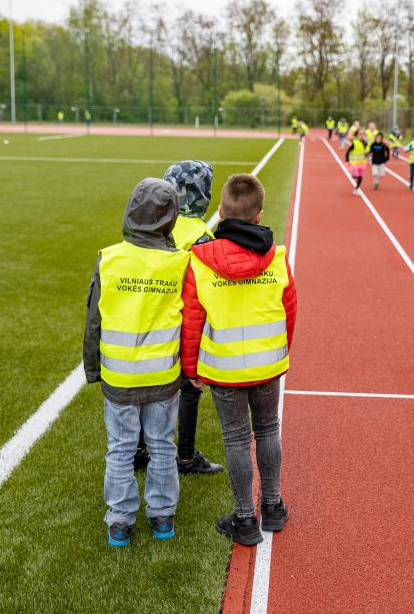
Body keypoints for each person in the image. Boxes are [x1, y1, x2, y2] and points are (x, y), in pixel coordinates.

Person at [180, 173, 297, 546]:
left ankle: (245, 519)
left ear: (220, 212)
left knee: (235, 439)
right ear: (259, 215)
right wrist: (281, 351)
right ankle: (273, 506)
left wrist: (190, 368)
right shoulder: (276, 257)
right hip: (268, 365)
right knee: (267, 429)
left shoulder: (198, 261)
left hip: (223, 368)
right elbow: (289, 312)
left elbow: (191, 320)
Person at [83, 178, 190, 547]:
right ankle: (162, 517)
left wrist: (92, 366)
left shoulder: (109, 257)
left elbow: (93, 317)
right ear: (171, 216)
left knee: (121, 448)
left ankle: (120, 521)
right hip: (163, 373)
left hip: (120, 375)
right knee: (162, 444)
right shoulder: (179, 261)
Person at [163, 160, 225, 476]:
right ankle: (185, 456)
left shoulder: (159, 225)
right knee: (189, 388)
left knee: (154, 390)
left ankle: (141, 449)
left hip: (155, 317)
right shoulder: (202, 235)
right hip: (187, 323)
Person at [344, 127, 370, 193]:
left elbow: (367, 152)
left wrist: (367, 154)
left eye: (363, 134)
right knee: (355, 176)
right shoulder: (354, 142)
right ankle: (353, 174)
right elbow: (347, 152)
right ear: (357, 135)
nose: (361, 136)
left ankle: (356, 188)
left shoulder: (366, 143)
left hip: (362, 162)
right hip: (354, 163)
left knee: (360, 177)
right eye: (360, 134)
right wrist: (347, 161)